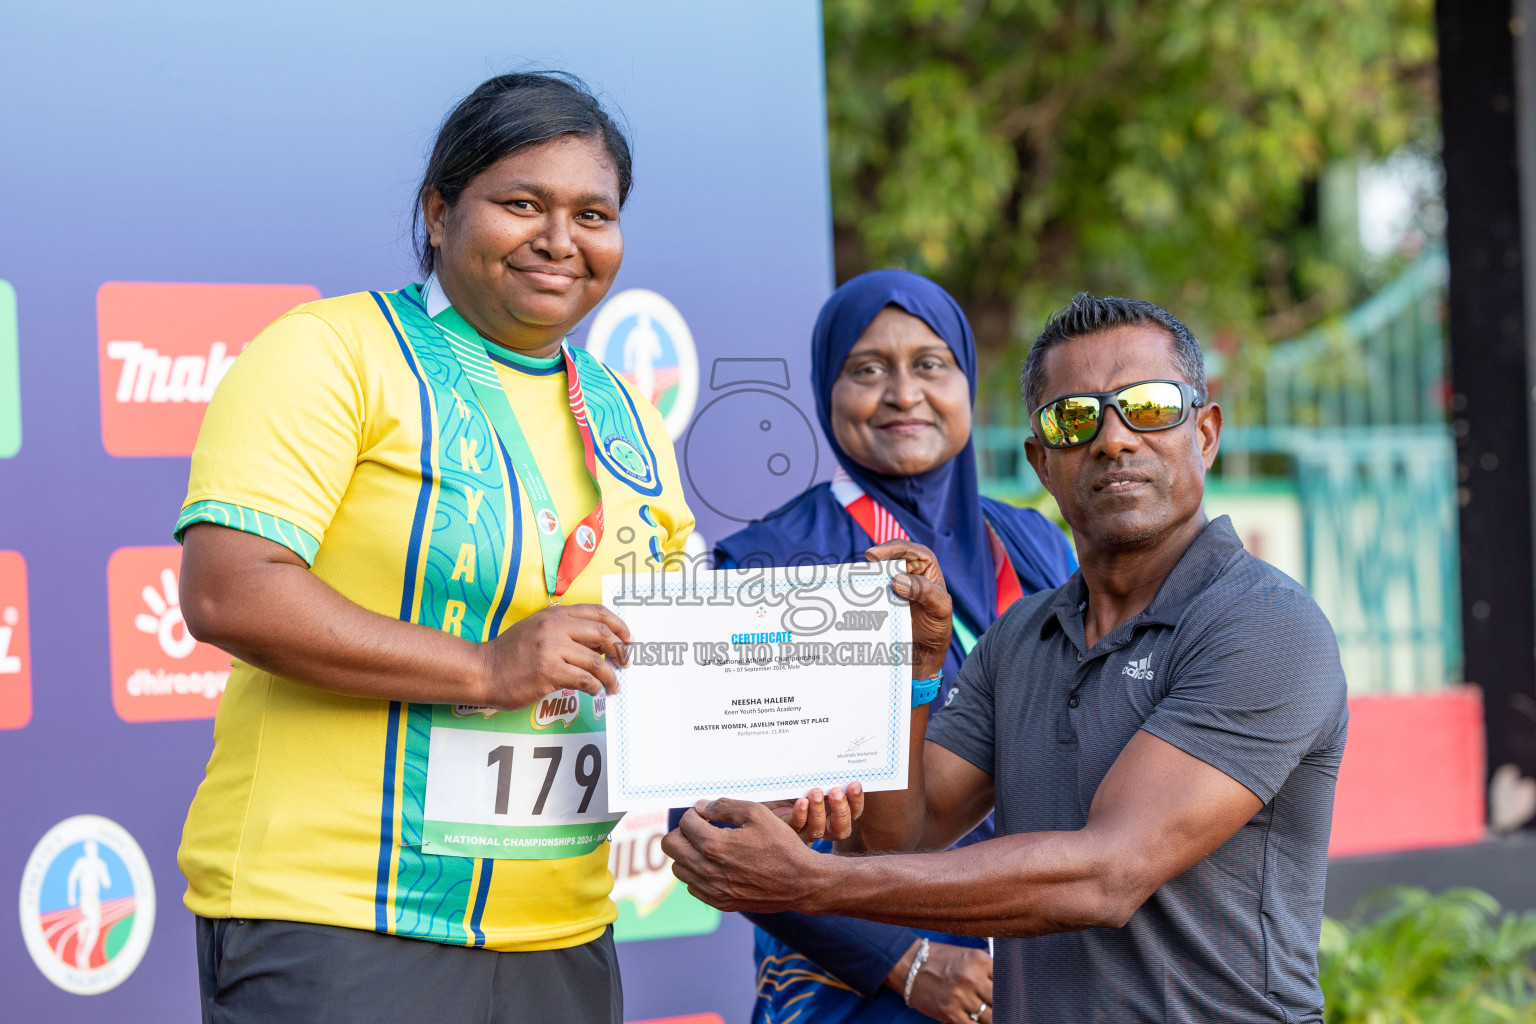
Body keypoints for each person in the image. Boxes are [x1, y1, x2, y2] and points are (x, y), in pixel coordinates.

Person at [665, 294, 1350, 1024]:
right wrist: (916, 671)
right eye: (1075, 418)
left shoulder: (1265, 624)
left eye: (1149, 407)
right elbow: (903, 836)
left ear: (1205, 434)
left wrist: (813, 885)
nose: (1114, 440)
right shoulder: (1021, 634)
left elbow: (1106, 875)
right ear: (1041, 459)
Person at [174, 72, 694, 1024]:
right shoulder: (331, 351)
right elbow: (229, 591)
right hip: (336, 921)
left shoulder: (628, 414)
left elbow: (671, 653)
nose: (560, 240)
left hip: (561, 932)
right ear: (440, 210)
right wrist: (486, 668)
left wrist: (785, 753)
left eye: (593, 213)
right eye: (522, 204)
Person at [712, 270, 1075, 1024]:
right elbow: (718, 823)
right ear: (826, 389)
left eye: (931, 365)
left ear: (968, 381)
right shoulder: (771, 562)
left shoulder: (1032, 541)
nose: (904, 393)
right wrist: (906, 964)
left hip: (1041, 957)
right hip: (863, 986)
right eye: (868, 369)